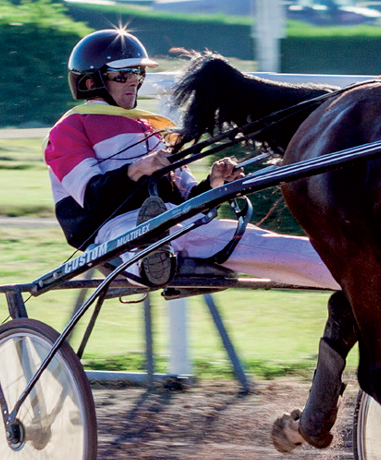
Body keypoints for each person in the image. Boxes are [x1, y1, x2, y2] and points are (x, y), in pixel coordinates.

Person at [45, 28, 339, 290]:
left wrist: (213, 184)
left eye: (137, 73)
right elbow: (92, 198)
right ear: (89, 83)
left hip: (181, 223)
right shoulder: (70, 129)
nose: (134, 82)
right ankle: (149, 255)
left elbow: (186, 197)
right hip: (114, 232)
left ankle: (363, 273)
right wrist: (137, 169)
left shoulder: (151, 128)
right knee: (139, 234)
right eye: (123, 75)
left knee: (283, 249)